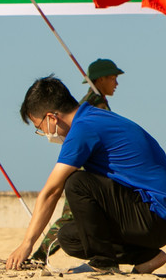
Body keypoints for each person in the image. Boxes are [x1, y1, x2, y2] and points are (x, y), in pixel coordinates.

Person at [7, 75, 166, 273]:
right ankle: (146, 257)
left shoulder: (83, 129)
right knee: (69, 237)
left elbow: (51, 191)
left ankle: (103, 263)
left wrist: (26, 245)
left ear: (51, 118)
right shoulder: (93, 116)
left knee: (76, 182)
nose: (44, 134)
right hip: (155, 218)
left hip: (156, 214)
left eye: (40, 128)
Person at [30, 57, 125, 264]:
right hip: (85, 169)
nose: (116, 83)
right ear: (99, 80)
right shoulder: (94, 105)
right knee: (70, 217)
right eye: (112, 78)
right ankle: (39, 255)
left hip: (84, 167)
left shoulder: (92, 102)